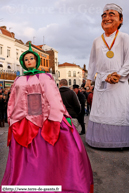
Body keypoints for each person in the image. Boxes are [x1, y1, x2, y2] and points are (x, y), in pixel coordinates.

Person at [0, 43, 93, 193]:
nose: (29, 61)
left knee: (50, 154)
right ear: (23, 62)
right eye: (26, 59)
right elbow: (13, 101)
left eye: (32, 58)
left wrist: (62, 115)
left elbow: (53, 97)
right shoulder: (18, 80)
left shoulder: (45, 77)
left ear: (36, 60)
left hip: (44, 118)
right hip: (22, 119)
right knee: (25, 157)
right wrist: (11, 118)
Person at [85, 3, 129, 148]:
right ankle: (98, 140)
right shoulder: (96, 40)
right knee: (100, 110)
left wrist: (119, 75)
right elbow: (92, 62)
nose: (107, 18)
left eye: (112, 15)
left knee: (118, 110)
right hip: (101, 81)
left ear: (121, 20)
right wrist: (89, 79)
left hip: (119, 83)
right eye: (104, 15)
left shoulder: (124, 37)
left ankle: (120, 141)